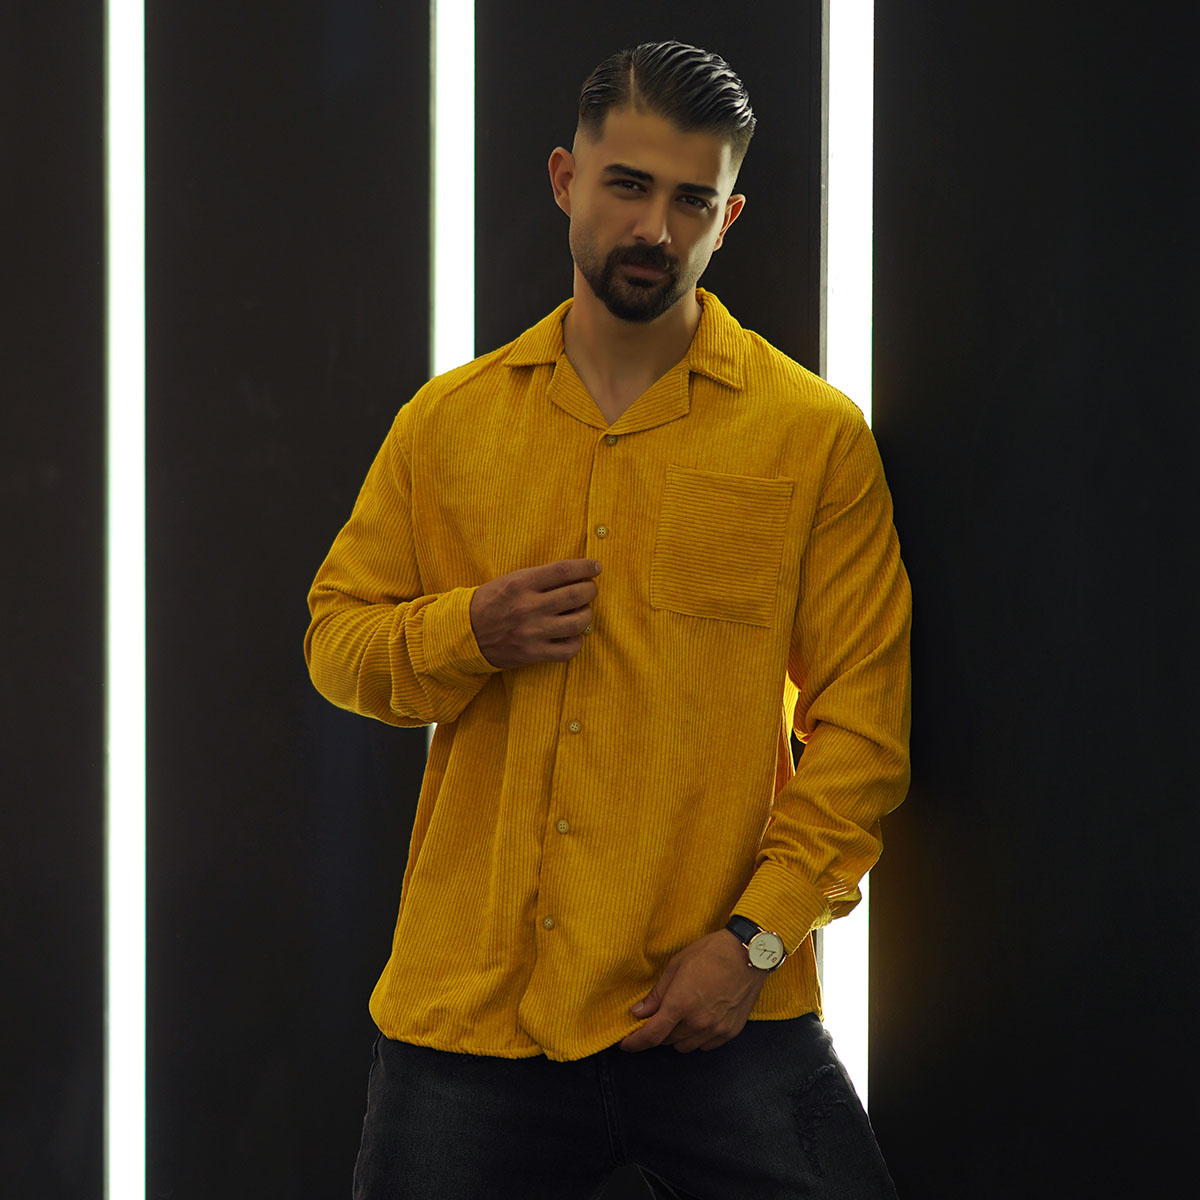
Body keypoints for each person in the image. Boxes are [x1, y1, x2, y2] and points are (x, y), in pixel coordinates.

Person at [305, 40, 910, 1200]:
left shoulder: (813, 438)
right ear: (564, 179)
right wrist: (467, 633)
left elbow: (863, 735)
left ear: (729, 218)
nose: (655, 228)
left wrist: (757, 941)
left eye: (691, 201)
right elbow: (336, 639)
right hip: (472, 1022)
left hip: (720, 1006)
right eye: (628, 185)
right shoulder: (448, 425)